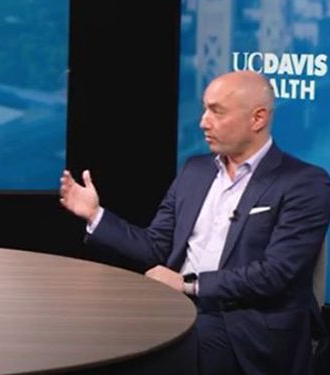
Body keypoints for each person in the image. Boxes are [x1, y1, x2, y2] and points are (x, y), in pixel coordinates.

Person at [60, 70, 330, 375]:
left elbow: (276, 273)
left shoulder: (304, 182)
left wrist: (189, 285)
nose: (203, 122)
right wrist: (95, 215)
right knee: (101, 331)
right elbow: (155, 248)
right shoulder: (195, 171)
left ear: (258, 118)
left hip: (247, 323)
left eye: (216, 111)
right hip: (179, 306)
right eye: (204, 109)